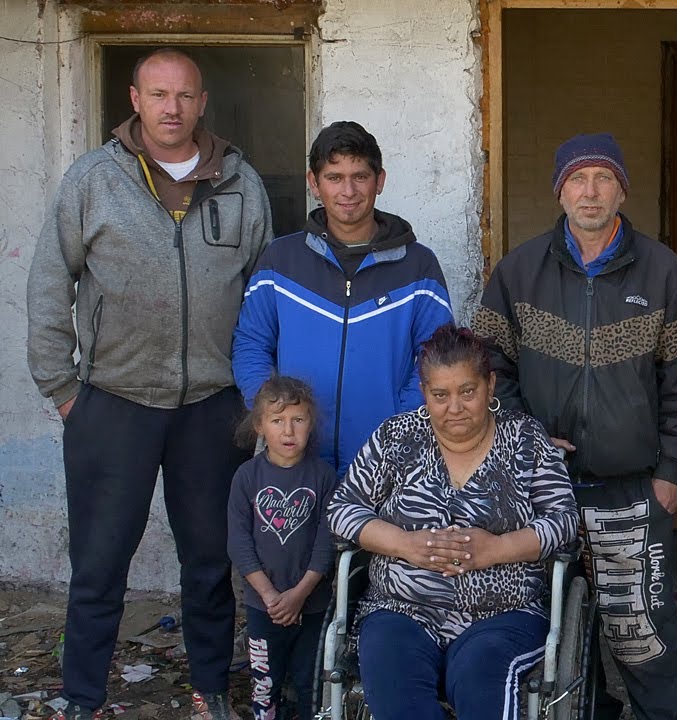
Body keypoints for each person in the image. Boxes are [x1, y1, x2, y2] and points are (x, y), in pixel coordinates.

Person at [25, 47, 273, 720]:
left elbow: (261, 297)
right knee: (99, 565)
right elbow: (51, 283)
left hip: (212, 406)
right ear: (134, 99)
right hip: (113, 401)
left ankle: (210, 691)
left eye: (185, 95)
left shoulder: (241, 184)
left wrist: (252, 394)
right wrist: (64, 388)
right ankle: (83, 698)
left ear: (202, 102)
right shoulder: (93, 180)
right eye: (158, 94)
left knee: (209, 562)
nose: (172, 108)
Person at [474, 132, 677, 720]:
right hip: (540, 487)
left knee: (642, 636)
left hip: (630, 486)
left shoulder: (663, 272)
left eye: (603, 178)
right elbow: (487, 367)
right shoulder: (519, 271)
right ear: (559, 191)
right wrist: (524, 435)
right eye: (577, 179)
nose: (590, 191)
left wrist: (673, 470)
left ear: (622, 190)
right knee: (555, 627)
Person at [327, 325, 580, 720]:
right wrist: (403, 543)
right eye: (440, 395)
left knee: (481, 681)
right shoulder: (396, 437)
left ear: (490, 385)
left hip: (503, 613)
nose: (455, 407)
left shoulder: (526, 440)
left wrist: (497, 548)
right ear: (425, 392)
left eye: (468, 391)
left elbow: (564, 521)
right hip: (400, 607)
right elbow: (342, 509)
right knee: (397, 694)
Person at [233, 120, 454, 475]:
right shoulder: (281, 260)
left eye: (360, 176)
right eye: (334, 177)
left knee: (380, 534)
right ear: (314, 183)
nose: (348, 190)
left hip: (387, 462)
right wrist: (275, 415)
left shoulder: (418, 266)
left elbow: (438, 359)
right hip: (294, 462)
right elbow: (250, 343)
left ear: (379, 180)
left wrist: (402, 428)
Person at [227, 377, 336, 720]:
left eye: (298, 420)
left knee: (310, 685)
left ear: (310, 423)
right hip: (264, 608)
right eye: (277, 420)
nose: (288, 431)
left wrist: (299, 595)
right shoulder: (246, 477)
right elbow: (239, 543)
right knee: (265, 686)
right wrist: (272, 597)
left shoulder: (323, 477)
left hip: (312, 605)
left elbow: (325, 544)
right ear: (260, 426)